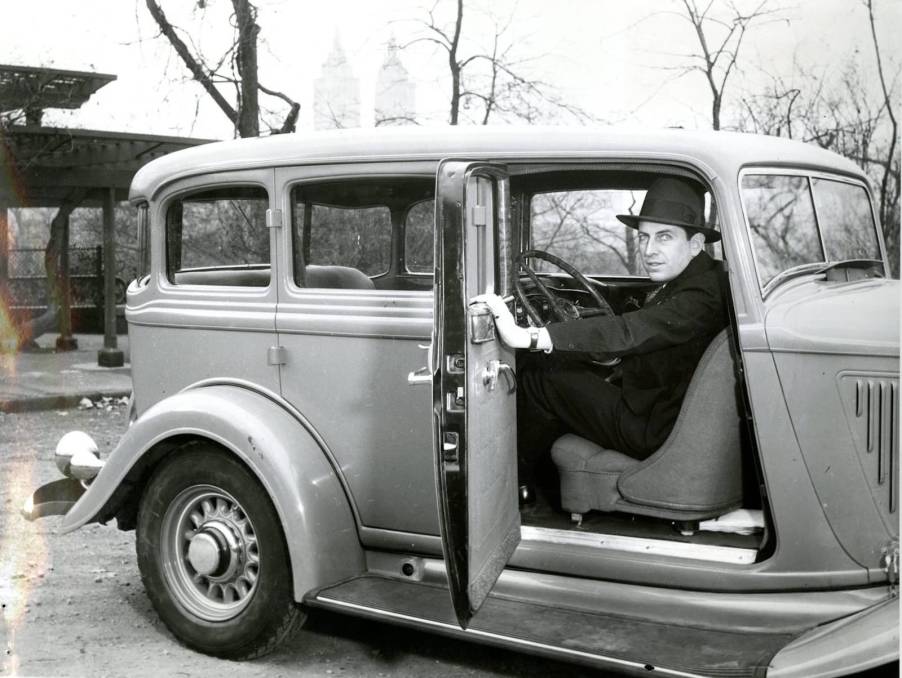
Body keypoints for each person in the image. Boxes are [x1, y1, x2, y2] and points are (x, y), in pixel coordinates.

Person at [476, 177, 728, 504]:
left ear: (695, 244)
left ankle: (514, 489)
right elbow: (641, 333)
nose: (649, 251)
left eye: (664, 238)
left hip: (653, 427)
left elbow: (630, 332)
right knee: (561, 366)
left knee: (540, 378)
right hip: (657, 406)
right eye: (644, 238)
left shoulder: (701, 295)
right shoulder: (699, 277)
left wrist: (529, 335)